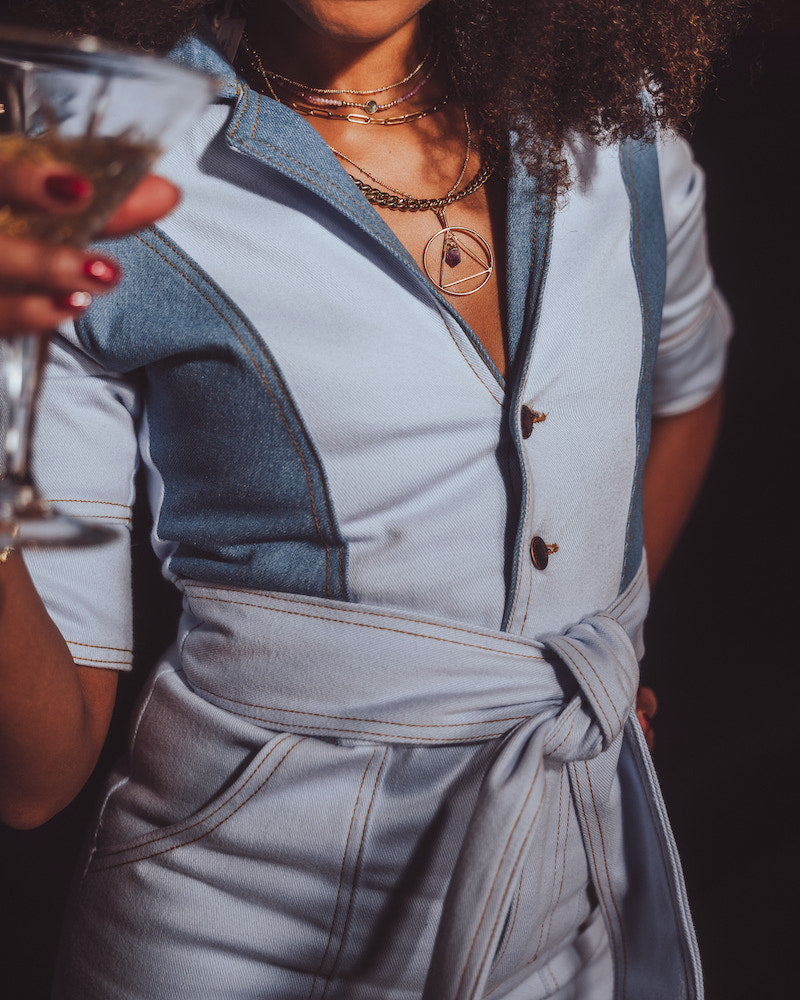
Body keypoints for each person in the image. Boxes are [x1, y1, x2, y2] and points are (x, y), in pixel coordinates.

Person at [0, 2, 744, 997]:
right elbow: (37, 774)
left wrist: (583, 650)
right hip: (227, 946)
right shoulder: (83, 171)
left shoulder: (618, 118)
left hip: (564, 921)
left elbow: (686, 384)